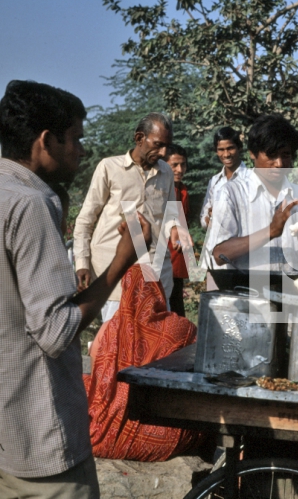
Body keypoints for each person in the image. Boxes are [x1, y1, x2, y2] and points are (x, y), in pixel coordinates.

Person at [0, 80, 151, 498]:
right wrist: (122, 259)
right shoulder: (28, 206)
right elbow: (55, 331)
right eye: (77, 139)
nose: (83, 150)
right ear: (46, 141)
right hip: (40, 443)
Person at [84, 265, 203, 461]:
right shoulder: (183, 328)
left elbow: (100, 382)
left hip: (108, 431)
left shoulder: (109, 329)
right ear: (158, 291)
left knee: (82, 383)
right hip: (167, 433)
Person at [73, 112, 181, 321]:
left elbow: (171, 214)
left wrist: (175, 228)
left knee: (154, 341)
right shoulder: (109, 167)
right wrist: (82, 262)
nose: (163, 152)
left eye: (167, 146)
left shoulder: (166, 171)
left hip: (155, 271)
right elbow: (86, 219)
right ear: (139, 138)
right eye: (158, 145)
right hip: (112, 273)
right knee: (114, 342)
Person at [212, 114, 298, 272]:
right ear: (253, 153)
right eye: (271, 155)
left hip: (292, 292)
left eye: (285, 155)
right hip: (248, 293)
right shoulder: (231, 193)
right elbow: (219, 254)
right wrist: (271, 231)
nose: (279, 164)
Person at [199, 127, 250, 289]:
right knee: (217, 306)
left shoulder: (251, 179)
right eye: (221, 150)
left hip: (242, 259)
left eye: (230, 148)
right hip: (215, 260)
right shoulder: (215, 181)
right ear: (216, 151)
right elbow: (203, 218)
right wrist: (208, 219)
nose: (226, 154)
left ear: (239, 148)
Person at [166, 144, 190, 316]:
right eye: (174, 165)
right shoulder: (159, 189)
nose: (179, 169)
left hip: (177, 260)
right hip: (161, 263)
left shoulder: (182, 190)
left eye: (183, 165)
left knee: (177, 312)